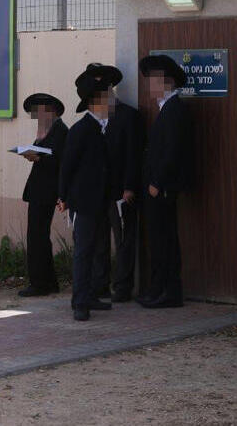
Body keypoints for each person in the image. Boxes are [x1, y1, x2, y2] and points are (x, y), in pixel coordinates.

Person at [75, 63, 145, 303]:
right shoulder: (93, 121)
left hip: (120, 190)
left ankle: (123, 286)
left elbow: (133, 155)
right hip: (98, 191)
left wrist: (129, 187)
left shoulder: (129, 116)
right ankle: (99, 284)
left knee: (123, 238)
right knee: (99, 240)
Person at [137, 54, 193, 309]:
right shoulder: (164, 110)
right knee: (158, 239)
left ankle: (170, 291)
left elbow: (173, 151)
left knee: (166, 239)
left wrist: (157, 182)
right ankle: (157, 287)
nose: (150, 86)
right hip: (156, 187)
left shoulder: (175, 109)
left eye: (154, 81)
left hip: (164, 188)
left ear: (167, 82)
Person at [58, 76, 113, 321]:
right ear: (95, 102)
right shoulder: (80, 130)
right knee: (83, 250)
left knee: (97, 249)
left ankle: (90, 294)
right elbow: (67, 166)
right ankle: (80, 301)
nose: (111, 100)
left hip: (101, 200)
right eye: (106, 96)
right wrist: (63, 196)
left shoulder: (104, 129)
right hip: (83, 201)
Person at [18, 93, 68, 297]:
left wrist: (38, 158)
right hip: (38, 190)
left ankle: (40, 283)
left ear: (51, 111)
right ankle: (47, 281)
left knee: (37, 236)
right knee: (38, 236)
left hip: (48, 191)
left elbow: (60, 161)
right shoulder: (45, 131)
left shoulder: (60, 131)